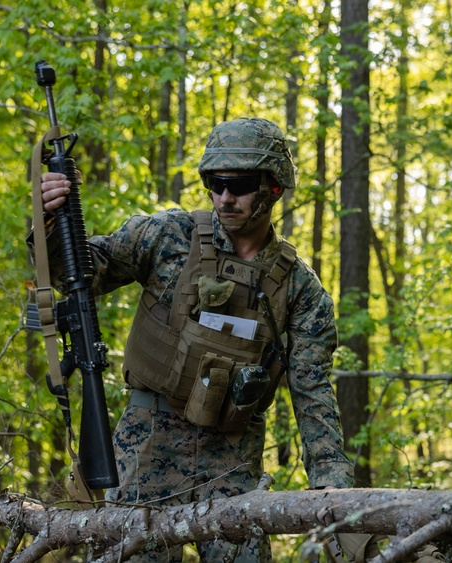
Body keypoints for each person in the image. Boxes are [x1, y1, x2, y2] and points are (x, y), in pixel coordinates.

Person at [34, 117, 353, 561]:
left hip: (234, 461)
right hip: (144, 448)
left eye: (239, 184)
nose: (225, 196)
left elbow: (313, 395)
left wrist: (332, 490)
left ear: (274, 187)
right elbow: (83, 272)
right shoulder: (167, 236)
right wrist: (52, 219)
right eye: (215, 182)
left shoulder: (300, 290)